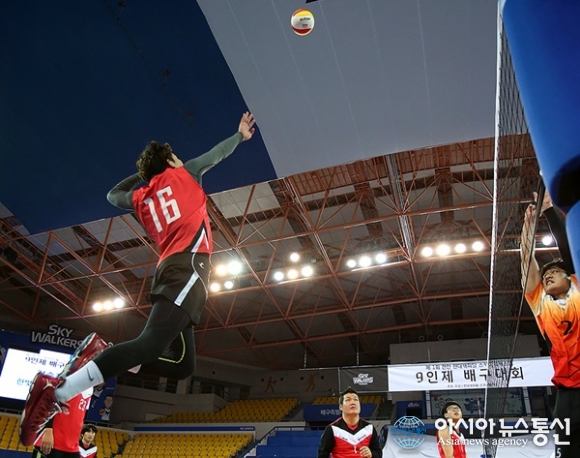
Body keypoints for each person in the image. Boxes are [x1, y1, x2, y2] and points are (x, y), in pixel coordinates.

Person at [19, 112, 256, 446]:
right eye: (175, 157)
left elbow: (112, 194)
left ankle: (110, 357)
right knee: (149, 345)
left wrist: (148, 175)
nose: (181, 159)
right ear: (170, 161)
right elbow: (217, 153)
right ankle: (58, 392)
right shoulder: (186, 174)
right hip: (188, 269)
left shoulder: (141, 198)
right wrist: (240, 136)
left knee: (182, 365)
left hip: (173, 271)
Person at [520, 190, 580, 457]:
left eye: (554, 272)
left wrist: (548, 211)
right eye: (546, 275)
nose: (548, 276)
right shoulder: (540, 303)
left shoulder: (578, 287)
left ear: (569, 277)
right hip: (567, 394)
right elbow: (527, 263)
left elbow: (568, 248)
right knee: (568, 451)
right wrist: (528, 229)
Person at [317, 386, 382, 458]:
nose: (353, 402)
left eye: (355, 399)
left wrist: (371, 453)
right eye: (348, 400)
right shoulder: (332, 430)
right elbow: (322, 455)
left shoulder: (369, 428)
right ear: (340, 407)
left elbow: (379, 453)